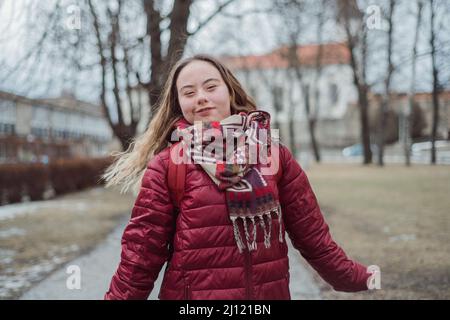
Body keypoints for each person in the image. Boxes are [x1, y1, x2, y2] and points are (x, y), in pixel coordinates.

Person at [103, 54, 372, 300]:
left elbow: (314, 239)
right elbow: (140, 257)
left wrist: (365, 278)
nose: (200, 97)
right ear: (179, 104)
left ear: (230, 91)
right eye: (188, 92)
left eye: (211, 87)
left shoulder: (274, 156)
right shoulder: (168, 165)